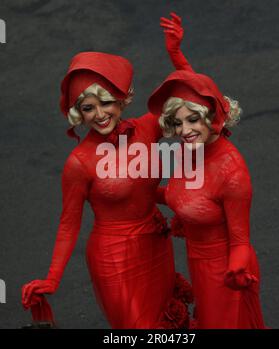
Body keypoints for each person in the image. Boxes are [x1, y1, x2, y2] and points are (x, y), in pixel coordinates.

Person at [21, 13, 194, 329]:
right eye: (88, 108)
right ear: (78, 114)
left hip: (156, 245)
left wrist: (176, 56)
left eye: (106, 103)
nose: (100, 115)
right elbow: (68, 224)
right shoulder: (79, 162)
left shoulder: (146, 129)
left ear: (122, 99)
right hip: (115, 259)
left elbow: (194, 99)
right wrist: (52, 278)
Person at [148, 68, 266, 329]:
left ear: (210, 117)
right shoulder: (187, 151)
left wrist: (237, 270)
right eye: (178, 123)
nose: (185, 130)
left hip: (224, 271)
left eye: (193, 120)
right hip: (199, 264)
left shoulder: (231, 172)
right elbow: (184, 197)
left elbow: (240, 242)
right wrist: (135, 191)